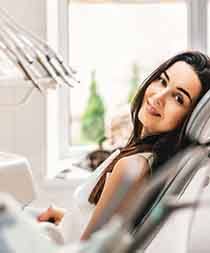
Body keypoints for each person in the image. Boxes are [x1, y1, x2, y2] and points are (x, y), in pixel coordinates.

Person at [37, 51, 210, 242]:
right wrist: (64, 218)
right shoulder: (144, 158)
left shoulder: (133, 167)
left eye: (178, 98)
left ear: (189, 119)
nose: (159, 96)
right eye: (162, 80)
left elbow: (90, 250)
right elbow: (108, 228)